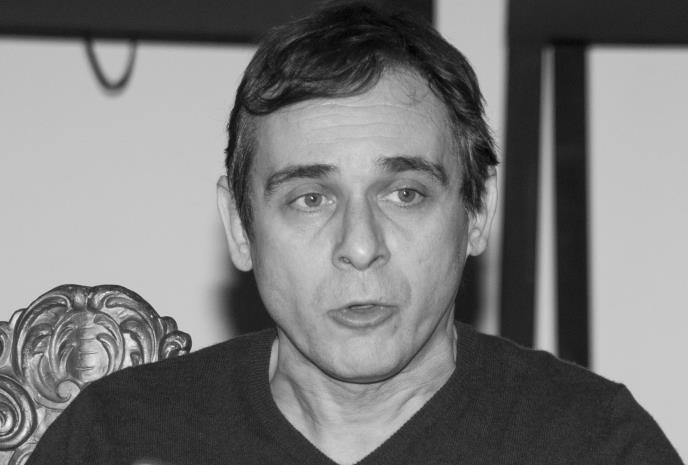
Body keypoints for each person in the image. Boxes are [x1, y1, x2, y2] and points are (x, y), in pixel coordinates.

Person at [27, 2, 682, 465]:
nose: (361, 245)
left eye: (405, 193)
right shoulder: (118, 438)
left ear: (476, 211)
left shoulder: (594, 443)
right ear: (240, 227)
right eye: (310, 199)